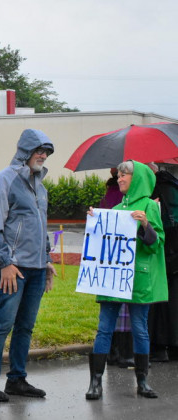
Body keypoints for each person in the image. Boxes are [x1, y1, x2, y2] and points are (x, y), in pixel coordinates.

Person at [0, 129, 57, 402]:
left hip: (35, 269)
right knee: (3, 324)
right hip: (11, 269)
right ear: (25, 151)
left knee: (26, 326)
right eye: (38, 150)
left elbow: (41, 228)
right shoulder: (3, 180)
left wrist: (46, 261)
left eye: (46, 151)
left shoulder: (41, 188)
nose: (43, 155)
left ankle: (17, 380)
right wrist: (3, 263)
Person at [85, 160, 168, 400]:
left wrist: (144, 224)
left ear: (137, 179)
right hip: (113, 278)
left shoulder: (150, 207)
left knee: (140, 329)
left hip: (138, 279)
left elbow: (157, 244)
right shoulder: (115, 208)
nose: (120, 179)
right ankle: (95, 383)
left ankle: (143, 381)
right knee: (104, 329)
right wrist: (95, 221)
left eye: (124, 176)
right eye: (119, 175)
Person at [99, 169, 134, 368]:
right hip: (122, 258)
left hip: (109, 259)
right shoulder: (122, 196)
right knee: (124, 309)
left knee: (112, 309)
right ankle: (123, 353)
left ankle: (112, 353)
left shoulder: (109, 193)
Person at [147, 165, 178, 361]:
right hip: (175, 252)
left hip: (164, 252)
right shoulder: (173, 185)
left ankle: (158, 346)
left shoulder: (154, 188)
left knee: (158, 302)